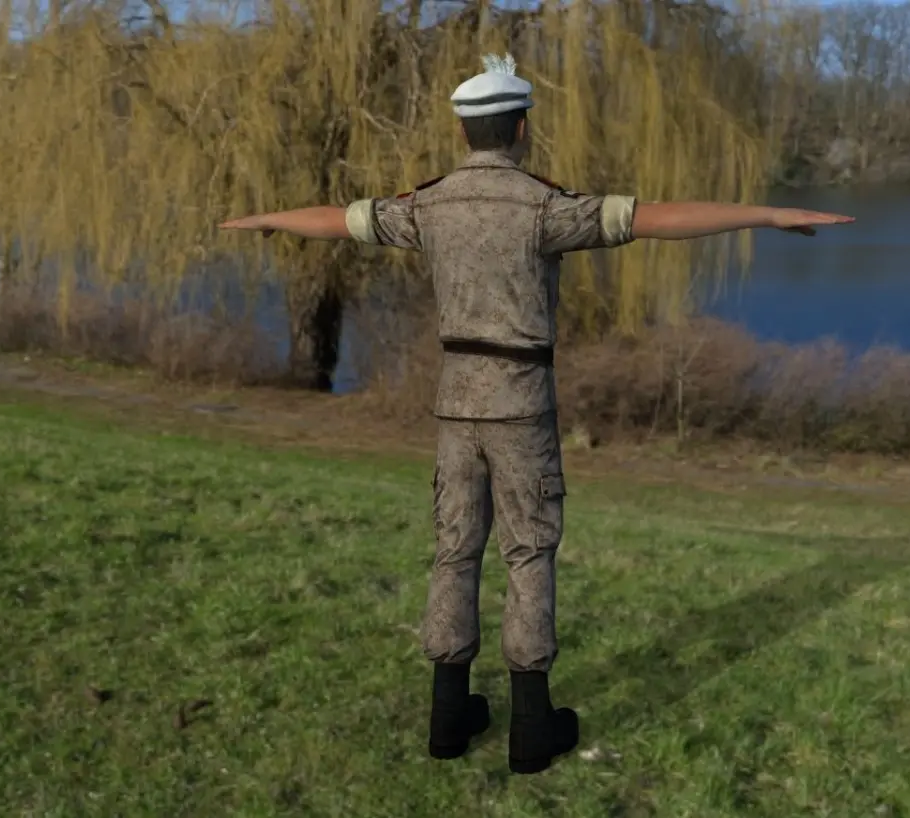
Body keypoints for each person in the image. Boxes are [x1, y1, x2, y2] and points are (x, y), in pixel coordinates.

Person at [219, 53, 854, 775]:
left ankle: (448, 719)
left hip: (455, 404)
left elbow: (339, 221)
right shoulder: (546, 208)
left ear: (464, 133)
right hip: (522, 404)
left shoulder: (426, 207)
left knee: (455, 547)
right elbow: (657, 218)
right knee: (527, 552)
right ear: (521, 129)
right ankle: (530, 727)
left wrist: (272, 219)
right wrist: (767, 214)